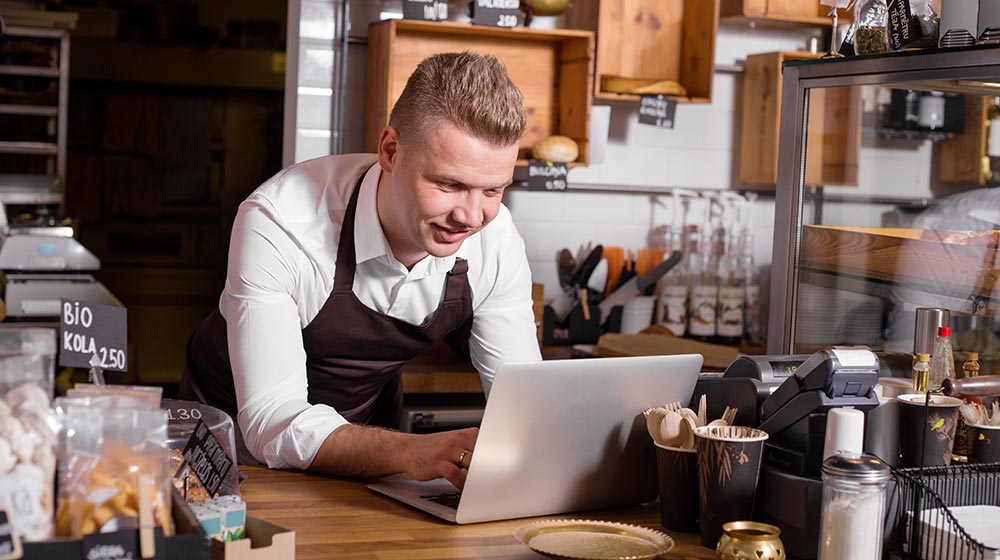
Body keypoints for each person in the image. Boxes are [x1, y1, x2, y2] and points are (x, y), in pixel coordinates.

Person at [181, 52, 542, 491]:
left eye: (492, 189)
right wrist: (414, 450)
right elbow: (272, 420)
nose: (470, 215)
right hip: (233, 447)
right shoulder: (280, 221)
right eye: (449, 184)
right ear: (390, 151)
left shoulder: (495, 235)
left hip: (369, 448)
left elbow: (526, 403)